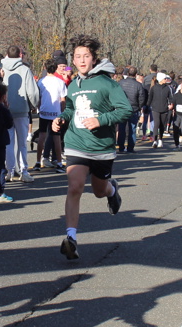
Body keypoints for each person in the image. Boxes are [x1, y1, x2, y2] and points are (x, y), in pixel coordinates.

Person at [52, 35, 131, 260]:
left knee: (98, 191)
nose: (81, 60)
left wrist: (101, 120)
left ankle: (111, 190)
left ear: (94, 59)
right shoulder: (73, 84)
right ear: (73, 60)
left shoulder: (108, 83)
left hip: (102, 147)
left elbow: (125, 110)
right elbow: (71, 109)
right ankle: (71, 238)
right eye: (78, 56)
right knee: (74, 187)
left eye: (86, 56)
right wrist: (62, 118)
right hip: (76, 143)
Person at [0, 46, 39, 183]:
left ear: (7, 54)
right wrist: (34, 105)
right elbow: (32, 91)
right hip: (22, 110)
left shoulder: (1, 69)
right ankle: (23, 171)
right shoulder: (25, 69)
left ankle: (9, 171)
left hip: (5, 109)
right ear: (20, 55)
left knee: (8, 142)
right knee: (22, 143)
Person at [35, 58, 67, 172]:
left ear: (45, 68)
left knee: (42, 136)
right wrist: (62, 113)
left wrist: (39, 108)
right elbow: (63, 100)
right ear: (56, 68)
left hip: (44, 112)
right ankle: (59, 163)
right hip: (56, 113)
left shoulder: (41, 81)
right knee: (56, 138)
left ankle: (38, 162)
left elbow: (39, 98)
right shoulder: (60, 82)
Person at [118, 67, 144, 153]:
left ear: (128, 73)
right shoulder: (138, 85)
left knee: (121, 129)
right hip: (134, 109)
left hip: (123, 108)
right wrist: (139, 107)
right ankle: (130, 148)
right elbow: (141, 98)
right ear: (136, 75)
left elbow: (116, 95)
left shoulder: (121, 83)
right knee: (132, 129)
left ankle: (121, 147)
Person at [147, 72, 173, 148]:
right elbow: (150, 98)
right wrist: (147, 107)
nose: (166, 80)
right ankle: (155, 141)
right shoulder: (154, 88)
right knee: (156, 124)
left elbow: (171, 98)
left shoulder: (167, 88)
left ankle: (160, 139)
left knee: (162, 125)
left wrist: (171, 104)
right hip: (155, 109)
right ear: (161, 79)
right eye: (165, 78)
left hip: (164, 109)